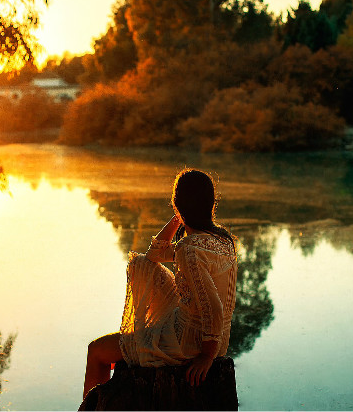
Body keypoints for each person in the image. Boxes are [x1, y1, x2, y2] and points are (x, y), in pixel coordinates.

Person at [83, 168, 238, 399]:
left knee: (96, 351)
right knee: (142, 264)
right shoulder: (222, 241)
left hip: (187, 344)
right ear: (211, 203)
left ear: (178, 203)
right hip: (217, 339)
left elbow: (214, 307)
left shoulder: (189, 249)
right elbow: (154, 255)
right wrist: (180, 216)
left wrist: (206, 356)